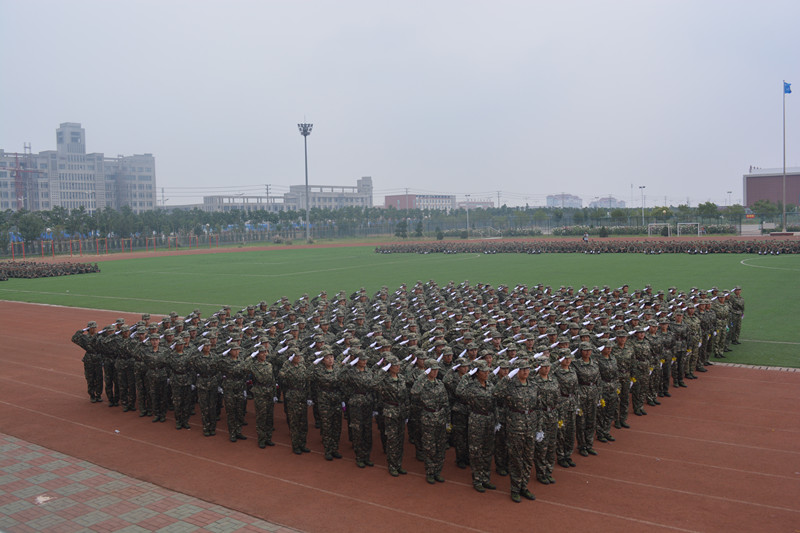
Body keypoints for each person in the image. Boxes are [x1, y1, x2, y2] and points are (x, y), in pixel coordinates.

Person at [495, 358, 538, 503]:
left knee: (528, 458)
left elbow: (537, 406)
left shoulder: (533, 385)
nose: (525, 371)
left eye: (527, 369)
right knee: (516, 459)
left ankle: (524, 486)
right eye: (522, 369)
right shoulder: (510, 385)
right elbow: (496, 393)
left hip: (530, 425)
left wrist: (538, 427)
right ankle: (515, 488)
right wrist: (507, 377)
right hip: (515, 426)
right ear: (516, 371)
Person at [411, 359, 449, 484]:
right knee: (429, 447)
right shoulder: (422, 383)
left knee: (440, 446)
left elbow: (445, 402)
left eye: (437, 369)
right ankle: (430, 472)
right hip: (428, 417)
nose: (436, 372)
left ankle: (438, 472)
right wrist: (423, 376)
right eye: (433, 369)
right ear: (427, 370)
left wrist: (448, 420)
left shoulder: (440, 383)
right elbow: (414, 391)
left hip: (440, 417)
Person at [377, 355, 410, 476]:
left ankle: (398, 464)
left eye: (398, 365)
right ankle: (392, 465)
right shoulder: (384, 379)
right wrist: (383, 369)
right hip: (390, 412)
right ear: (390, 367)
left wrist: (407, 411)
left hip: (401, 411)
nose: (398, 367)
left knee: (400, 439)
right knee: (392, 439)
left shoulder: (401, 378)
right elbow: (373, 382)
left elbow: (406, 396)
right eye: (395, 365)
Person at [344, 350, 376, 468]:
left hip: (368, 402)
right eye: (362, 359)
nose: (364, 361)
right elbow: (340, 377)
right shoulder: (351, 372)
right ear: (357, 360)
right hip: (356, 403)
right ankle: (359, 456)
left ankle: (367, 456)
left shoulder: (369, 371)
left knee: (367, 430)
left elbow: (373, 386)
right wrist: (349, 364)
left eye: (365, 359)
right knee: (357, 429)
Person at [312, 349, 343, 460]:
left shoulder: (337, 369)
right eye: (327, 358)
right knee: (327, 426)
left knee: (337, 426)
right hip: (325, 402)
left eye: (332, 357)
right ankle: (328, 450)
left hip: (337, 401)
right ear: (322, 360)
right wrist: (314, 363)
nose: (330, 360)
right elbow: (308, 375)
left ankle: (335, 448)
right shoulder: (319, 371)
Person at [279, 351, 311, 454]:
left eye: (299, 356)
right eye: (296, 356)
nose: (299, 357)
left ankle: (302, 444)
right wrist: (288, 363)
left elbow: (307, 380)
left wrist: (308, 396)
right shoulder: (287, 367)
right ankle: (296, 445)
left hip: (302, 396)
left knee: (303, 423)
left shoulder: (302, 366)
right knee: (294, 422)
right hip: (293, 397)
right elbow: (281, 376)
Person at [533, 359, 559, 484]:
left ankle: (549, 470)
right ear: (539, 367)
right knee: (541, 446)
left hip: (552, 414)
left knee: (551, 445)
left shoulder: (553, 380)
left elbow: (557, 397)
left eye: (548, 366)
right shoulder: (534, 382)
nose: (546, 368)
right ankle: (541, 472)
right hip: (541, 415)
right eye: (544, 366)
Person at [574, 342, 600, 456]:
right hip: (581, 395)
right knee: (581, 422)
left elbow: (598, 380)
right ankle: (582, 445)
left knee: (591, 421)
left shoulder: (595, 363)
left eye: (589, 350)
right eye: (585, 350)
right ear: (580, 351)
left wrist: (599, 395)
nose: (588, 352)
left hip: (593, 394)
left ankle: (589, 444)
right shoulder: (575, 364)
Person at [248, 343, 276, 448]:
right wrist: (250, 357)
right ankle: (261, 439)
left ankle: (268, 438)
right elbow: (243, 366)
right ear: (257, 354)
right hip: (260, 393)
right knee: (261, 417)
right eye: (262, 352)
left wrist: (275, 394)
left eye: (265, 352)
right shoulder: (253, 366)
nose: (264, 354)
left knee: (269, 416)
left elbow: (273, 380)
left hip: (269, 392)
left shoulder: (269, 365)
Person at [219, 344, 248, 442]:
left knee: (240, 411)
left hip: (239, 388)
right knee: (231, 412)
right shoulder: (225, 361)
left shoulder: (241, 360)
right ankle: (232, 433)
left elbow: (245, 372)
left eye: (238, 350)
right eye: (234, 350)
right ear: (230, 351)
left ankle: (238, 431)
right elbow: (215, 361)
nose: (236, 352)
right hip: (229, 389)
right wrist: (223, 354)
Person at [553, 352, 578, 468]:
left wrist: (577, 403)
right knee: (561, 431)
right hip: (561, 403)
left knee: (571, 430)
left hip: (572, 402)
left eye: (569, 358)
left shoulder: (572, 370)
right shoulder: (556, 372)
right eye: (565, 358)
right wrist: (557, 362)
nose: (567, 360)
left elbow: (576, 388)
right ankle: (561, 456)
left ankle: (568, 454)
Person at [191, 338, 219, 436]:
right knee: (204, 407)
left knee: (212, 406)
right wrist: (197, 351)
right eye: (205, 346)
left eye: (209, 345)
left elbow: (218, 369)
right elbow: (190, 360)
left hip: (212, 382)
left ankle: (212, 427)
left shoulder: (214, 357)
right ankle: (206, 427)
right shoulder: (197, 358)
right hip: (202, 383)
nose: (208, 347)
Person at [72, 320, 103, 403]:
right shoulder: (84, 338)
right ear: (89, 328)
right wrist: (82, 330)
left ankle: (99, 394)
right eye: (93, 327)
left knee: (99, 378)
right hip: (89, 359)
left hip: (98, 358)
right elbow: (74, 338)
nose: (94, 329)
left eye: (95, 327)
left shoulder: (99, 336)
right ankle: (92, 395)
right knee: (90, 378)